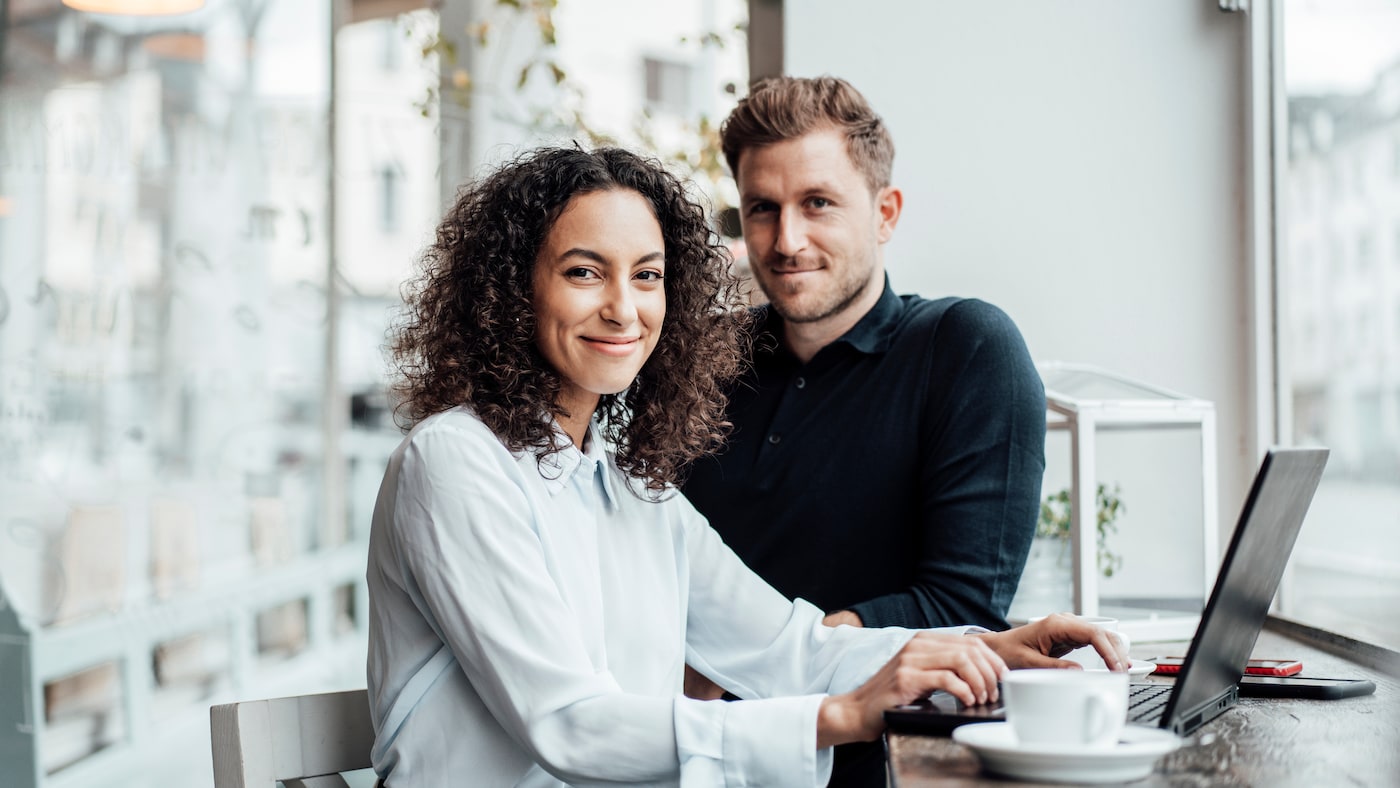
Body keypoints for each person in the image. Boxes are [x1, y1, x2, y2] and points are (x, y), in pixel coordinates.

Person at [365, 145, 1125, 787]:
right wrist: (841, 717)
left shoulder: (631, 486)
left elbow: (784, 647)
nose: (625, 309)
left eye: (648, 275)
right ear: (512, 292)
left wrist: (982, 652)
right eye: (584, 272)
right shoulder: (453, 462)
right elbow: (568, 724)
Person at [679, 75, 1049, 786]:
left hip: (888, 764)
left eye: (817, 203)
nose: (786, 240)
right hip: (704, 757)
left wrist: (735, 666)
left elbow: (956, 609)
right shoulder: (701, 366)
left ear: (885, 213)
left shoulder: (965, 349)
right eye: (763, 209)